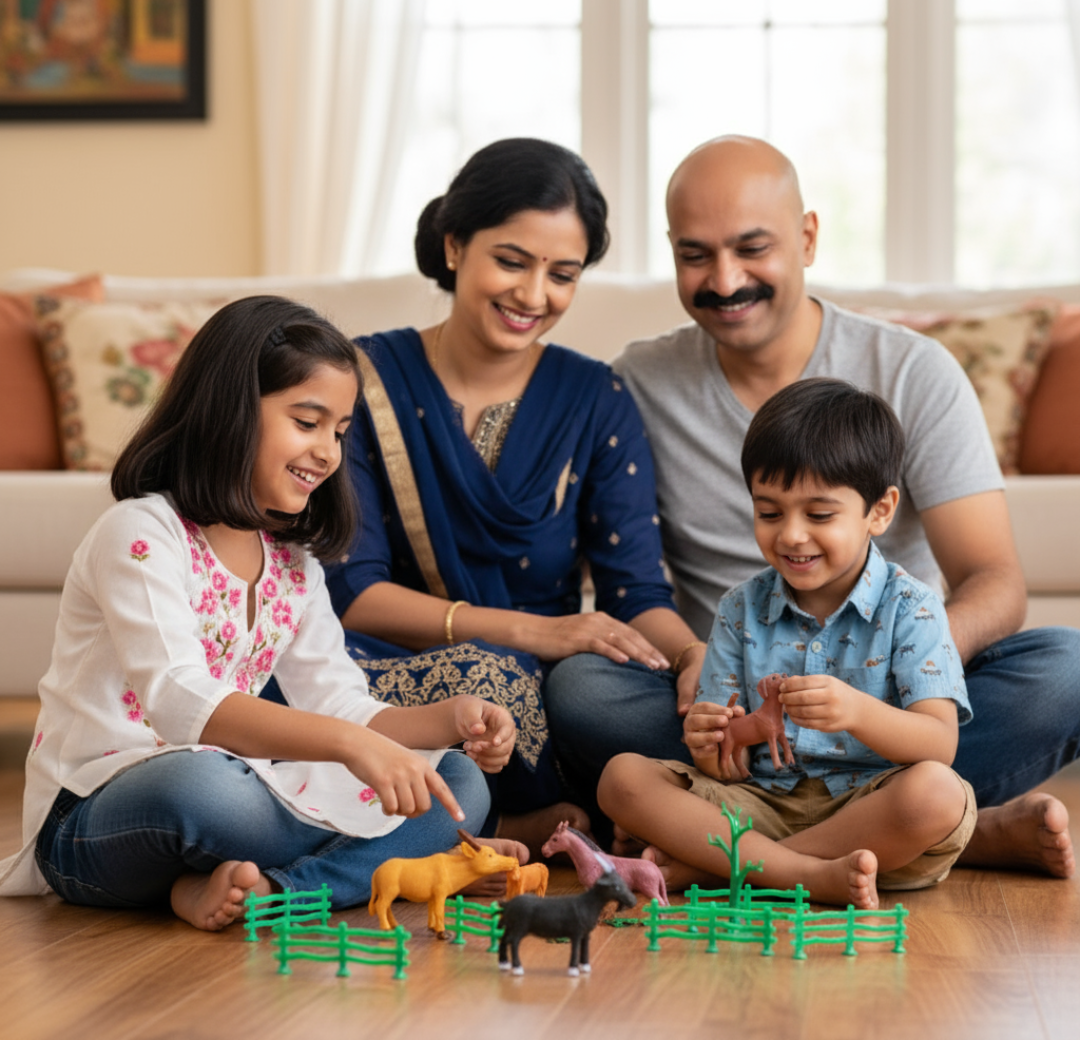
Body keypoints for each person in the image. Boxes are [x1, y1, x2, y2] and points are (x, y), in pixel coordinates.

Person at [547, 135, 1076, 877]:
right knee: (582, 689)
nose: (724, 279)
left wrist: (895, 681)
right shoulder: (638, 383)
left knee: (1064, 669)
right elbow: (631, 580)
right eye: (694, 254)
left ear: (807, 238)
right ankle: (948, 834)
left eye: (751, 248)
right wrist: (699, 670)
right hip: (737, 710)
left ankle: (737, 857)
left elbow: (994, 579)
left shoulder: (912, 371)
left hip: (897, 705)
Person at [0, 295, 517, 931]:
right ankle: (360, 865)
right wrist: (355, 749)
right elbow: (179, 700)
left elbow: (339, 704)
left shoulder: (294, 563)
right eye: (307, 422)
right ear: (231, 411)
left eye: (340, 431)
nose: (328, 452)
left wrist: (446, 723)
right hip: (98, 815)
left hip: (240, 791)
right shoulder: (138, 533)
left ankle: (277, 891)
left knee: (459, 784)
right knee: (204, 789)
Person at [323, 138, 704, 858]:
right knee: (308, 680)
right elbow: (352, 592)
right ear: (454, 244)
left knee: (590, 693)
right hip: (388, 658)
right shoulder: (363, 379)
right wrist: (533, 631)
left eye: (562, 274)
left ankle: (469, 817)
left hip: (552, 682)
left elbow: (635, 590)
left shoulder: (595, 397)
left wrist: (693, 658)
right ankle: (506, 819)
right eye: (511, 261)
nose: (534, 296)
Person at [600, 378, 976, 907]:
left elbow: (940, 744)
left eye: (819, 515)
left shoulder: (910, 605)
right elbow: (725, 771)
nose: (792, 535)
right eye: (769, 512)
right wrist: (712, 743)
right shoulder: (740, 607)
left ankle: (723, 869)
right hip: (762, 803)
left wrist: (857, 712)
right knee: (622, 780)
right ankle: (801, 874)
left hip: (869, 813)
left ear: (880, 510)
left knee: (936, 794)